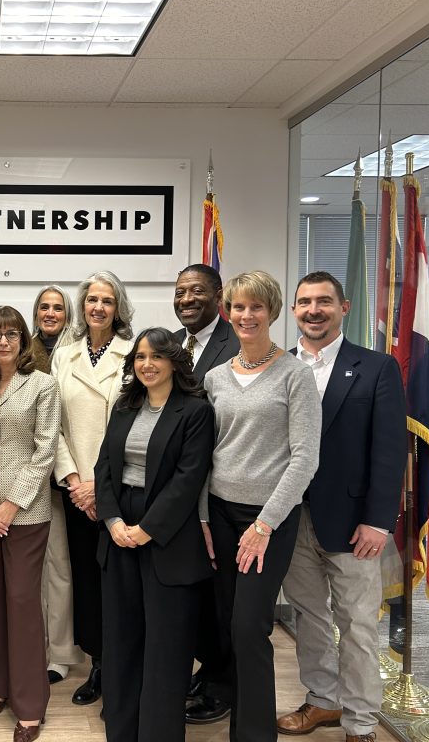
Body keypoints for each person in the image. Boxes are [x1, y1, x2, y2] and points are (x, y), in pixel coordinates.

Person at [276, 272, 406, 742]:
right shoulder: (278, 366)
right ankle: (323, 702)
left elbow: (390, 451)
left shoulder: (376, 367)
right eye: (305, 302)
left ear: (344, 308)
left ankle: (361, 722)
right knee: (307, 617)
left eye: (324, 302)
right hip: (291, 520)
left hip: (354, 525)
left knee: (357, 627)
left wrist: (378, 520)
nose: (314, 310)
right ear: (293, 310)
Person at [202, 270, 321, 742]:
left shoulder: (295, 375)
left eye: (255, 307)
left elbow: (305, 457)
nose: (246, 316)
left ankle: (252, 735)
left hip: (267, 521)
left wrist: (265, 523)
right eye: (237, 307)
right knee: (227, 625)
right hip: (220, 515)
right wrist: (204, 517)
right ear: (227, 312)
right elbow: (204, 454)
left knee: (250, 627)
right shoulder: (214, 378)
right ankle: (237, 712)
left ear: (272, 311)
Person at [97, 328, 216, 742]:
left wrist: (147, 529)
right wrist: (113, 521)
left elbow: (188, 479)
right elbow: (104, 470)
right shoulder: (126, 405)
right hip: (119, 532)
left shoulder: (195, 410)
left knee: (166, 648)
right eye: (140, 357)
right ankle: (123, 731)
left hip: (167, 535)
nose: (146, 364)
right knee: (122, 641)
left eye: (156, 356)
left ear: (173, 361)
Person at [0, 306, 61, 742]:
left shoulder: (43, 385)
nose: (3, 341)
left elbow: (45, 450)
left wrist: (11, 505)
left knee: (22, 604)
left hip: (26, 515)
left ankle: (29, 706)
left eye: (11, 334)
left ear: (23, 340)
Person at [51, 270, 135, 706]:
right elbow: (53, 426)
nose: (98, 307)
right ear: (81, 306)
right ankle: (98, 665)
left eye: (107, 300)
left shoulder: (133, 354)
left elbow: (130, 427)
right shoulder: (63, 356)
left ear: (118, 307)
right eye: (91, 300)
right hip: (75, 488)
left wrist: (99, 487)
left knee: (116, 581)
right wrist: (73, 480)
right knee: (85, 578)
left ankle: (122, 666)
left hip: (117, 489)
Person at [172, 263, 238, 725]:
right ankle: (206, 668)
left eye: (197, 291)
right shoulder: (174, 345)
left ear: (219, 295)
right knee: (194, 590)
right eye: (180, 292)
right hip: (179, 493)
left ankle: (222, 683)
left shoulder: (235, 345)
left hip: (220, 490)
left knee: (223, 596)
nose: (187, 299)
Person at [30, 285, 84, 684]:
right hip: (28, 477)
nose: (50, 313)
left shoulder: (76, 351)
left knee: (61, 567)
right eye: (44, 307)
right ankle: (35, 643)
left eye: (58, 308)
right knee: (35, 571)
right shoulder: (21, 347)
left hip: (69, 475)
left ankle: (62, 651)